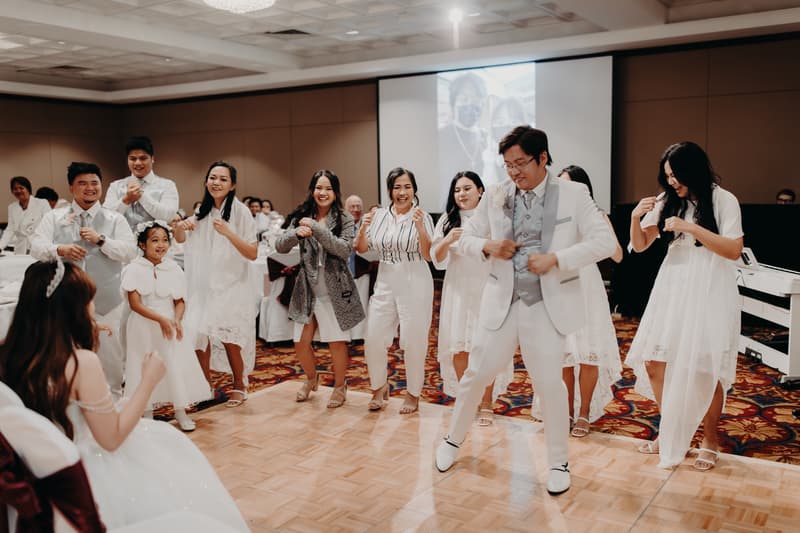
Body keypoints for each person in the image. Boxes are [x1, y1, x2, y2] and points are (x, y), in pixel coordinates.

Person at [433, 126, 617, 496]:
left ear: (543, 158)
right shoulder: (498, 194)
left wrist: (558, 258)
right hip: (501, 300)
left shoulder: (573, 194)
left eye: (521, 163)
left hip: (547, 306)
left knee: (550, 385)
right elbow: (467, 237)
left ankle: (558, 462)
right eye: (507, 165)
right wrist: (488, 245)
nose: (513, 172)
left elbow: (605, 242)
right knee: (475, 374)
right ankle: (453, 439)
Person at [0, 260, 249, 531]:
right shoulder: (80, 363)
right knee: (175, 457)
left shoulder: (9, 354)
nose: (92, 307)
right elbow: (111, 438)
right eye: (89, 300)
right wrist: (147, 382)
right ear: (73, 309)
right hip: (81, 477)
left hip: (35, 475)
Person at [627, 141, 743, 471]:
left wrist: (691, 227)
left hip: (709, 286)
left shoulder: (723, 199)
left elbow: (733, 249)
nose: (672, 181)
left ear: (694, 170)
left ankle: (709, 439)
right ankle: (672, 432)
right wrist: (636, 217)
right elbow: (640, 244)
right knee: (655, 362)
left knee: (707, 368)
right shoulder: (667, 201)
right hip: (673, 285)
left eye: (676, 175)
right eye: (667, 176)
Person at [30, 162, 137, 396]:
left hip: (107, 301)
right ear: (71, 187)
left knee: (110, 358)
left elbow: (130, 252)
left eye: (94, 183)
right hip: (65, 302)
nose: (89, 188)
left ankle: (114, 409)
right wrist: (60, 249)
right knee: (67, 358)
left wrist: (102, 241)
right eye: (82, 183)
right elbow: (36, 247)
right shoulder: (54, 217)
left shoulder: (115, 218)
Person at [275, 170, 365, 408]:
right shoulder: (302, 215)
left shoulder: (344, 218)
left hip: (335, 289)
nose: (322, 193)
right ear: (312, 190)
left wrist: (317, 228)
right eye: (318, 188)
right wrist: (295, 233)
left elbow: (345, 249)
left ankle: (339, 386)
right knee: (300, 342)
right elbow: (280, 246)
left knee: (336, 342)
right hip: (308, 289)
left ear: (335, 193)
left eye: (328, 189)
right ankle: (312, 378)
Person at [173, 161, 258, 409]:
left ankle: (240, 385)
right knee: (199, 336)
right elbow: (180, 240)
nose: (216, 183)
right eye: (212, 177)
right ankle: (204, 388)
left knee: (230, 338)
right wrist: (180, 226)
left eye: (222, 179)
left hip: (233, 284)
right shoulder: (202, 212)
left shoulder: (241, 212)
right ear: (205, 181)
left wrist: (229, 233)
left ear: (232, 185)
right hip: (204, 286)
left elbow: (252, 253)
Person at [432, 171, 513, 426]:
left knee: (485, 347)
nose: (462, 194)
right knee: (460, 346)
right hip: (457, 289)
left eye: (467, 189)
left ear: (481, 191)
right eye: (457, 190)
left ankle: (487, 402)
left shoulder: (492, 218)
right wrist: (447, 240)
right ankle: (469, 402)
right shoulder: (448, 219)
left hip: (486, 288)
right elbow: (437, 259)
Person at [354, 167, 434, 415]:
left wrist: (420, 227)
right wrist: (362, 228)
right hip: (386, 278)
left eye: (407, 187)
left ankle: (413, 394)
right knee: (374, 336)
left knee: (413, 341)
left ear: (414, 190)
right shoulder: (378, 215)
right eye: (397, 187)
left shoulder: (422, 216)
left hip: (415, 278)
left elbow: (429, 254)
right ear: (390, 190)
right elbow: (361, 248)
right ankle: (379, 387)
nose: (402, 192)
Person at [122, 220, 211, 431]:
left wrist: (177, 319)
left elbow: (180, 300)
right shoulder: (133, 268)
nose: (161, 245)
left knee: (174, 365)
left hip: (170, 324)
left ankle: (180, 411)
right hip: (144, 325)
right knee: (143, 367)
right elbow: (135, 304)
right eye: (154, 240)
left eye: (164, 240)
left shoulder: (173, 268)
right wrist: (160, 319)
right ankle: (147, 414)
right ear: (143, 244)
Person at [556, 165, 623, 438]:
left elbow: (617, 255)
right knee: (564, 353)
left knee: (588, 351)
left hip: (587, 286)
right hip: (560, 285)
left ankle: (584, 413)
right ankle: (565, 412)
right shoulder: (554, 217)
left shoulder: (596, 216)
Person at [104, 136, 179, 230]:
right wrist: (125, 200)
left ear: (152, 159)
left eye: (143, 158)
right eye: (133, 159)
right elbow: (106, 218)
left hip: (155, 243)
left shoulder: (168, 185)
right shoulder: (115, 186)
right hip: (122, 242)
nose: (138, 163)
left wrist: (141, 196)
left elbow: (168, 216)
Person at [0, 176, 51, 254]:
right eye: (15, 189)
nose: (18, 191)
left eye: (21, 188)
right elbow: (10, 229)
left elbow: (49, 225)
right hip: (20, 249)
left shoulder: (42, 203)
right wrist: (0, 246)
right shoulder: (12, 207)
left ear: (28, 189)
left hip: (39, 247)